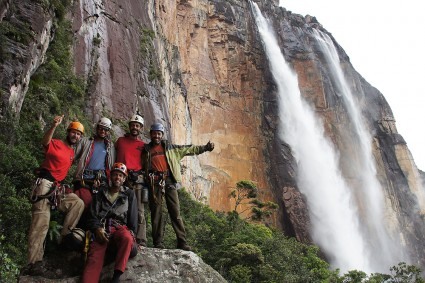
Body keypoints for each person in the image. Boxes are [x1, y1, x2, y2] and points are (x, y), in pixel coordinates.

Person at [26, 115, 85, 274]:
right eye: (73, 132)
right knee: (41, 225)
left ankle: (65, 236)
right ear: (68, 132)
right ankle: (33, 263)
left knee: (77, 203)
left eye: (78, 134)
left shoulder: (72, 153)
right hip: (44, 184)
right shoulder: (56, 143)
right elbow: (44, 142)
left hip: (56, 188)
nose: (75, 136)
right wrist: (53, 125)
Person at [142, 122, 214, 251]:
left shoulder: (171, 148)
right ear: (151, 134)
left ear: (162, 135)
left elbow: (188, 149)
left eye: (158, 133)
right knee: (156, 213)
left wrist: (205, 148)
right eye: (154, 133)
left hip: (169, 181)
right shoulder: (146, 150)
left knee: (175, 212)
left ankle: (182, 242)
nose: (156, 136)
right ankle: (157, 242)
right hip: (154, 183)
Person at [81, 162, 138, 283]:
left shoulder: (129, 194)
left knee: (127, 238)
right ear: (111, 176)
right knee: (94, 258)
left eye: (121, 176)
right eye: (115, 175)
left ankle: (116, 278)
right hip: (102, 228)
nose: (118, 177)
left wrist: (133, 233)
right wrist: (96, 229)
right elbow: (92, 215)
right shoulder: (101, 193)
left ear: (124, 179)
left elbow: (133, 219)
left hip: (119, 228)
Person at [73, 117, 115, 226]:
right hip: (85, 177)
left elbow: (111, 164)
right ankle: (77, 231)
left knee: (98, 207)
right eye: (101, 128)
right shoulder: (86, 141)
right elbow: (72, 157)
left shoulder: (110, 147)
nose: (102, 131)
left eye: (105, 130)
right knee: (82, 204)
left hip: (101, 179)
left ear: (108, 132)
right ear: (97, 128)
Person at [115, 113, 148, 248]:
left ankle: (141, 239)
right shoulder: (120, 141)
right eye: (133, 125)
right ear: (129, 126)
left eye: (137, 126)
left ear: (140, 128)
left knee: (139, 210)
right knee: (121, 208)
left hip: (137, 180)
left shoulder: (143, 145)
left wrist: (139, 174)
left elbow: (146, 164)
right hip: (121, 178)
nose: (135, 127)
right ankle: (123, 235)